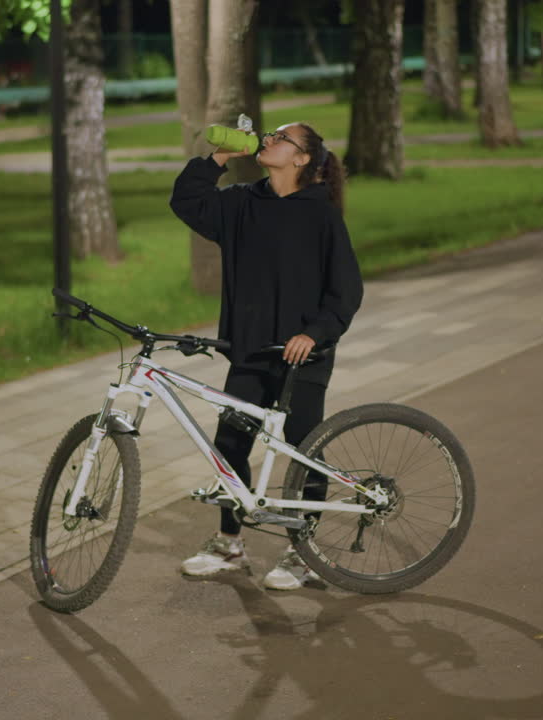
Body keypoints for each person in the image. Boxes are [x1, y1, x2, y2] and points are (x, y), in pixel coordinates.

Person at [168, 122, 363, 590]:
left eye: (282, 138)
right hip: (251, 350)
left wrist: (314, 334)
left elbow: (345, 291)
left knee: (303, 448)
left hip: (303, 356)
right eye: (269, 134)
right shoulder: (241, 204)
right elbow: (186, 201)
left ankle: (303, 552)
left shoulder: (322, 216)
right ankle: (228, 542)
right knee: (231, 445)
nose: (269, 139)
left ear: (302, 159)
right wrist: (217, 158)